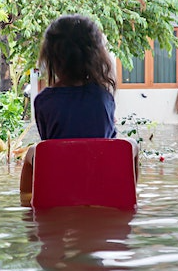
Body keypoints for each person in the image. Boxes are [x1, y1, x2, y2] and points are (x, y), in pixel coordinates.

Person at [20, 14, 138, 206]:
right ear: (95, 57)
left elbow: (48, 140)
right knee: (131, 144)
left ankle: (27, 200)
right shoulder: (103, 96)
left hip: (60, 176)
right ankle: (130, 192)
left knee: (34, 150)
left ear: (51, 58)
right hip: (99, 175)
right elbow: (107, 137)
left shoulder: (43, 100)